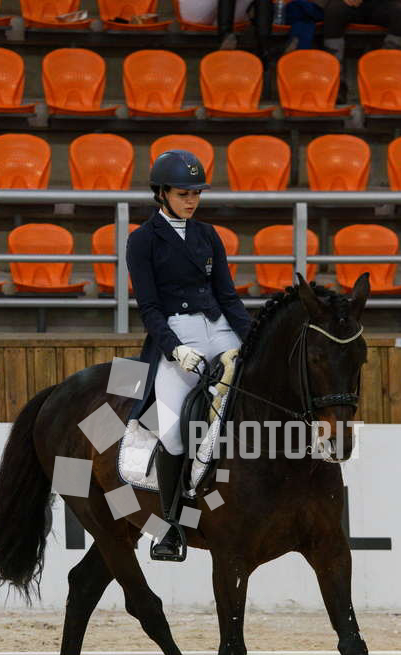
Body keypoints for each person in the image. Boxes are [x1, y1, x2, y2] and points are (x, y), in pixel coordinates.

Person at [126, 150, 252, 562]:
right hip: (177, 333)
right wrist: (174, 349)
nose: (192, 200)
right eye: (184, 194)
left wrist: (253, 338)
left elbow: (228, 296)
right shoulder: (142, 240)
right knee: (173, 433)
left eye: (196, 193)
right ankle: (170, 526)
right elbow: (149, 307)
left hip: (219, 327)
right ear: (162, 193)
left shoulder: (208, 235)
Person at [321, 0, 401, 101]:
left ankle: (385, 79)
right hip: (348, 4)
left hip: (382, 4)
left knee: (399, 12)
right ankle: (336, 83)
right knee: (333, 11)